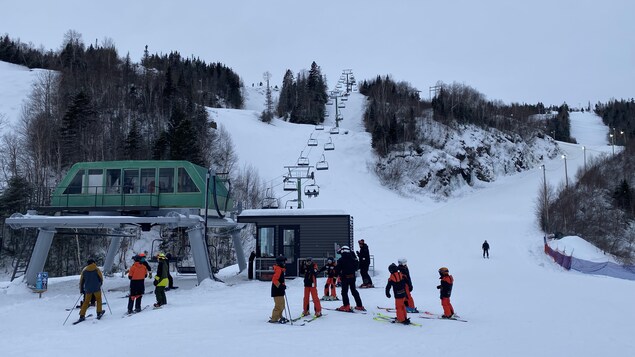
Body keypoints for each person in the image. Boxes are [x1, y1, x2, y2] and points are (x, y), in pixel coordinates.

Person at [334, 246, 365, 312]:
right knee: (354, 291)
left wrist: (335, 276)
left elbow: (337, 270)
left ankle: (346, 306)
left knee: (344, 292)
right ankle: (359, 305)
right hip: (352, 277)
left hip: (345, 277)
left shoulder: (341, 260)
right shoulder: (353, 258)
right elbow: (357, 267)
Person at [269, 255, 289, 323]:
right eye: (284, 262)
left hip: (280, 290)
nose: (285, 263)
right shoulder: (278, 269)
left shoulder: (281, 269)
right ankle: (274, 318)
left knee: (282, 305)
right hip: (277, 290)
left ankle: (280, 316)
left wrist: (283, 286)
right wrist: (280, 286)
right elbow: (274, 280)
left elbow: (280, 280)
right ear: (280, 262)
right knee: (278, 305)